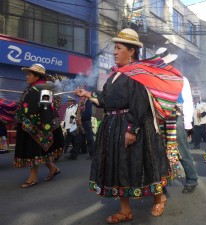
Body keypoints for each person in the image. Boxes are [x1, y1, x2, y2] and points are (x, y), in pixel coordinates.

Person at [75, 29, 183, 223]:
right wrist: (88, 95)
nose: (114, 52)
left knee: (145, 164)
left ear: (131, 51)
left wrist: (131, 129)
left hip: (134, 126)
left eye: (119, 48)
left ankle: (160, 197)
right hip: (113, 127)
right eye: (114, 49)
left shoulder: (138, 74)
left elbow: (139, 103)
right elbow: (107, 101)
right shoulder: (115, 75)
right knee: (120, 167)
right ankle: (125, 210)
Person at [155, 47, 198, 193]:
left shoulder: (181, 79)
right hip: (159, 119)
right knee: (159, 151)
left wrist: (187, 123)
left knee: (181, 150)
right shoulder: (154, 80)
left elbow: (187, 102)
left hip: (176, 117)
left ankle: (192, 179)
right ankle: (163, 182)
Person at [14, 63, 64, 188]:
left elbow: (46, 108)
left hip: (38, 126)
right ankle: (53, 169)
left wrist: (42, 128)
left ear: (37, 76)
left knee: (34, 151)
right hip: (30, 124)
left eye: (29, 75)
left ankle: (33, 178)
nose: (27, 77)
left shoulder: (44, 89)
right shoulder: (31, 88)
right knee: (40, 151)